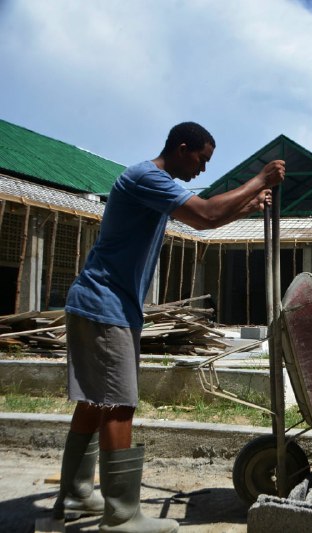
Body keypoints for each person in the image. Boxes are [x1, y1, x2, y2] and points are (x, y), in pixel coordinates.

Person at [52, 122, 285, 532]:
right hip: (105, 305)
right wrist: (259, 179)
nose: (202, 169)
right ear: (181, 148)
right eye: (201, 159)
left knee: (93, 401)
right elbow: (206, 212)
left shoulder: (153, 185)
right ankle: (121, 515)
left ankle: (74, 495)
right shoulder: (148, 177)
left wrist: (247, 204)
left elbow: (207, 222)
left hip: (98, 303)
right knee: (118, 404)